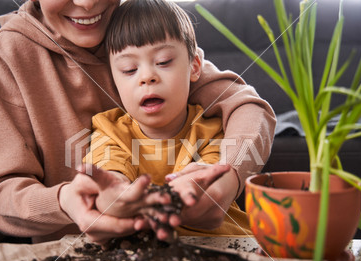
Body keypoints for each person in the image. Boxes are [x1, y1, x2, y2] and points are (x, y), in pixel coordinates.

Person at [0, 0, 276, 245]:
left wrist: (230, 173)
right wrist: (67, 201)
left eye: (163, 62)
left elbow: (246, 107)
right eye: (127, 69)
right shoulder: (13, 53)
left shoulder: (136, 24)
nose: (86, 4)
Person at [85, 0, 252, 239]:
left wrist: (192, 189)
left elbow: (208, 180)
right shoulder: (108, 129)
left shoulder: (212, 130)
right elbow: (111, 173)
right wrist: (116, 193)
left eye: (163, 62)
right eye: (129, 69)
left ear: (195, 67)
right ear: (113, 80)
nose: (147, 77)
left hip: (222, 242)